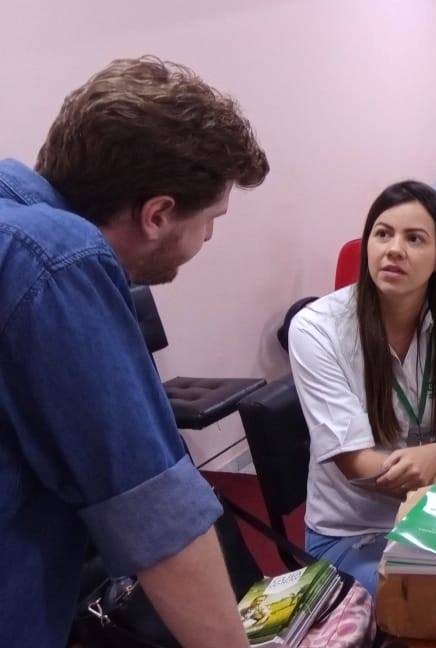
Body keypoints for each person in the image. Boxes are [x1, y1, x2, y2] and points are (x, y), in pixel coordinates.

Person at [0, 57, 269, 647]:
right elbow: (153, 512)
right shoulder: (58, 257)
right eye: (211, 219)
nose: (210, 236)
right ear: (157, 215)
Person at [289, 181, 436, 595]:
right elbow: (357, 463)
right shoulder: (317, 328)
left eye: (414, 239)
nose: (394, 249)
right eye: (383, 234)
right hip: (356, 533)